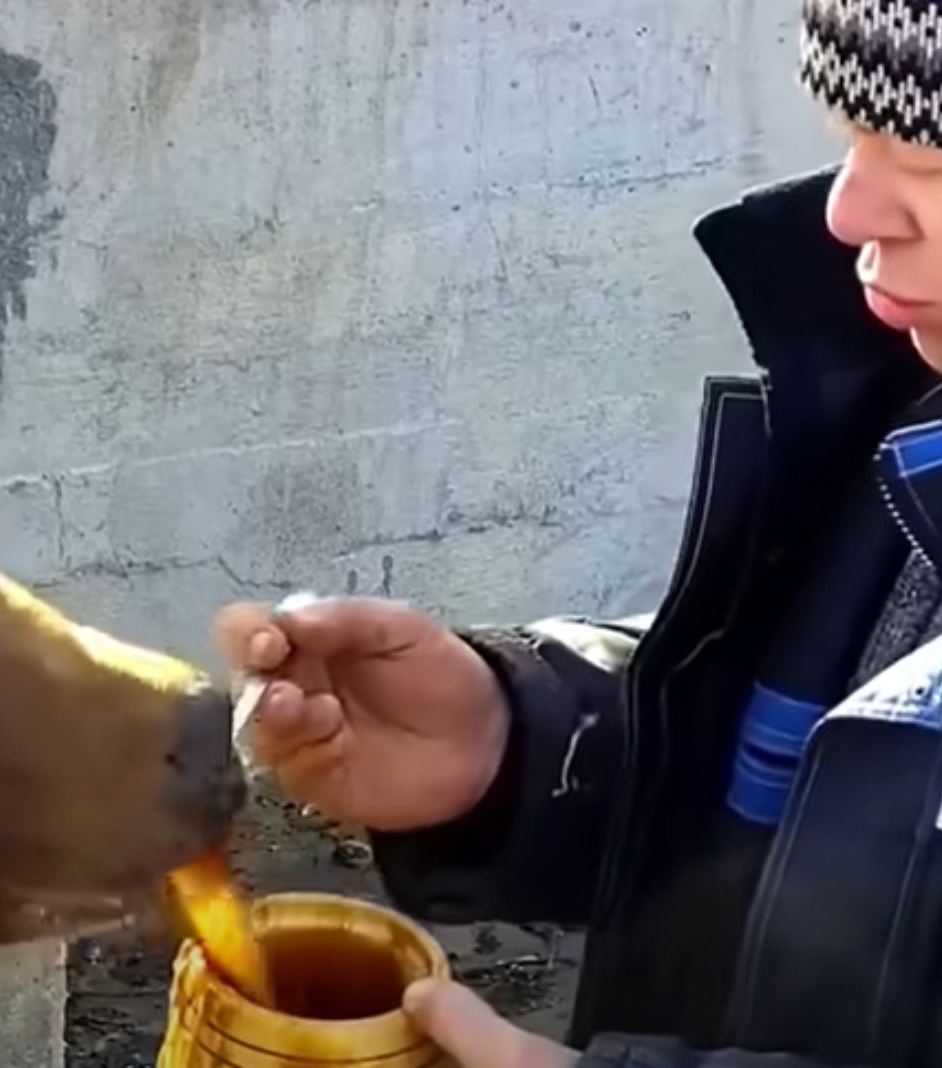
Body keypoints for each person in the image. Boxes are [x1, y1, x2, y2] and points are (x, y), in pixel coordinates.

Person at [213, 3, 942, 1066]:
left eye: (925, 161)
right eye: (848, 139)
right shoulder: (904, 409)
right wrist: (520, 744)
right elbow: (832, 765)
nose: (847, 211)